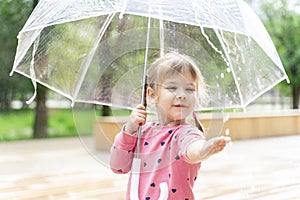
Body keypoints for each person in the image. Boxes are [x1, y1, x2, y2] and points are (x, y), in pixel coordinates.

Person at [110, 52, 231, 199]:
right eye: (172, 88)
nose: (182, 95)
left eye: (190, 89)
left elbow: (192, 149)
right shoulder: (143, 132)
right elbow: (118, 167)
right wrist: (129, 130)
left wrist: (204, 149)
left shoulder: (185, 133)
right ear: (152, 95)